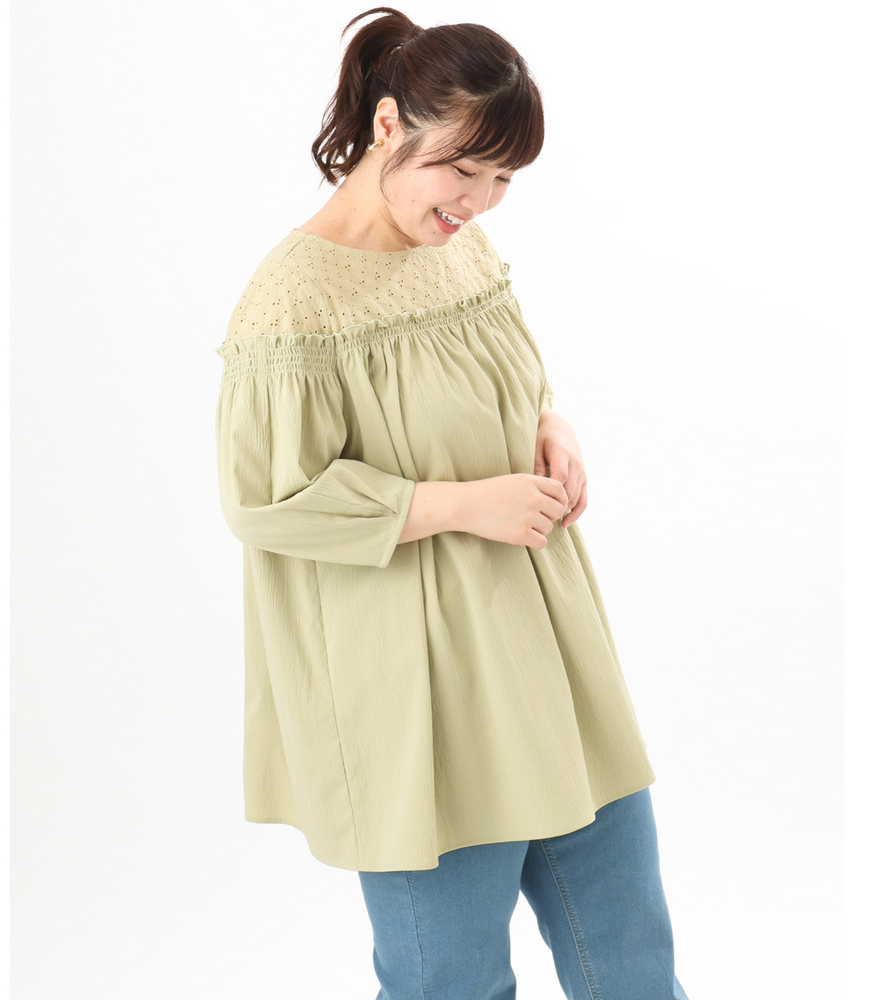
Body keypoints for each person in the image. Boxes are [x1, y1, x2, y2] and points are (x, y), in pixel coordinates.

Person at [215, 7, 690, 998]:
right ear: (389, 125)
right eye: (462, 169)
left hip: (543, 646)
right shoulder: (292, 303)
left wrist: (550, 424)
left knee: (633, 962)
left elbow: (502, 378)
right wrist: (463, 505)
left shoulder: (456, 243)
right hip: (412, 689)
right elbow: (269, 502)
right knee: (451, 983)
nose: (478, 201)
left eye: (503, 178)